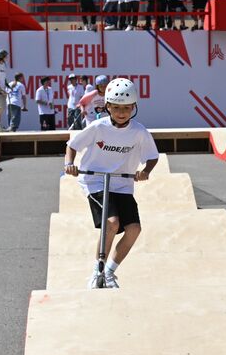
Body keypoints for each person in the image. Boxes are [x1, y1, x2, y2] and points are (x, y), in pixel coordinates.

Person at [63, 78, 160, 289]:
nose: (121, 112)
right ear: (107, 106)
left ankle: (109, 272)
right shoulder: (98, 127)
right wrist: (69, 164)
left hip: (122, 184)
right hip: (95, 180)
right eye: (116, 108)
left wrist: (146, 171)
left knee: (134, 229)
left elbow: (153, 156)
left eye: (126, 108)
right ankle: (96, 271)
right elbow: (72, 145)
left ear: (134, 107)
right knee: (112, 223)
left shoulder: (139, 132)